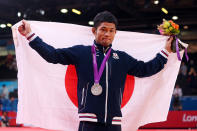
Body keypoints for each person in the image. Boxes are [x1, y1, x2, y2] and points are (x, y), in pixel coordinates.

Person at [18, 11, 173, 131]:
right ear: (94, 31)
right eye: (103, 29)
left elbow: (146, 69)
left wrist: (165, 51)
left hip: (114, 123)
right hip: (88, 122)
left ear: (115, 33)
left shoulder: (122, 58)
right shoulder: (81, 53)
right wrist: (30, 35)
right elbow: (52, 55)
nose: (107, 34)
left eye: (111, 30)